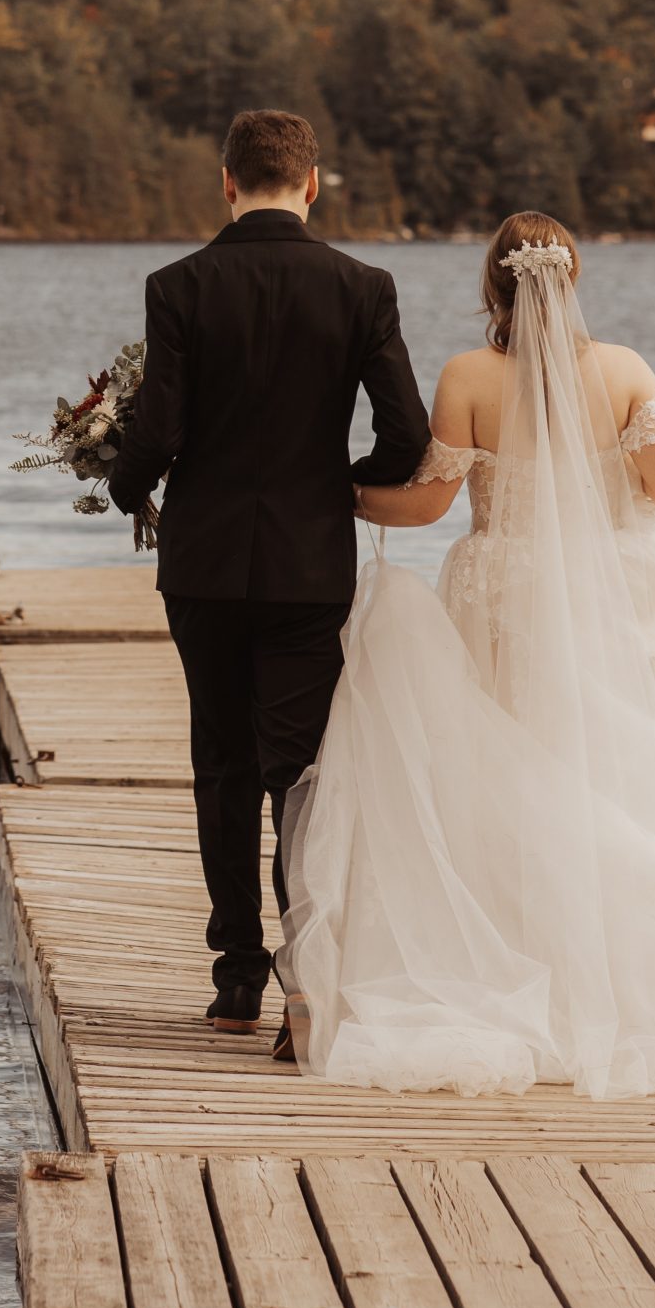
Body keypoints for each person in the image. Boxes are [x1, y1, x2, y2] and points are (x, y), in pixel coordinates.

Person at [275, 213, 655, 1098]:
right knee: (592, 777)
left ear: (492, 287)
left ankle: (501, 968)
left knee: (497, 776)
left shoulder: (468, 376)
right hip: (599, 606)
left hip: (498, 600)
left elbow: (422, 508)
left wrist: (331, 490)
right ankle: (596, 990)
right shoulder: (623, 370)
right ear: (571, 281)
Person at [106, 110, 431, 1059]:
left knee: (222, 762)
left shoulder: (179, 286)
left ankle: (236, 978)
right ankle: (308, 982)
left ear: (226, 181)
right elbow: (406, 432)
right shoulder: (362, 287)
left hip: (205, 563)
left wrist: (124, 480)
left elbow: (158, 429)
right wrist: (340, 484)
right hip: (307, 562)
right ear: (312, 183)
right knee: (299, 771)